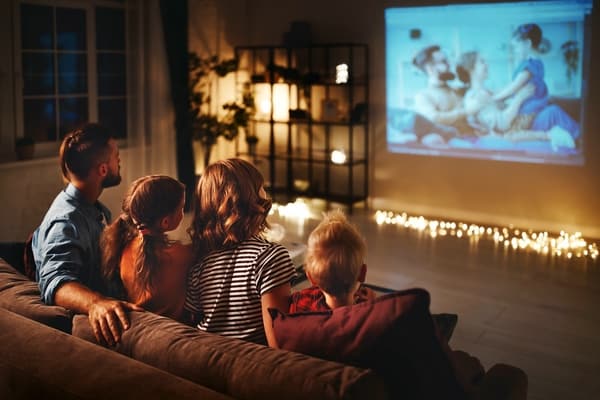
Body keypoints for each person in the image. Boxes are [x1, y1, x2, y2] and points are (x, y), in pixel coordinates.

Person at [289, 210, 489, 397]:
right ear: (363, 273)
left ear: (311, 278)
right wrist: (374, 306)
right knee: (469, 362)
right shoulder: (377, 322)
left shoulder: (298, 312)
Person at [32, 123, 143, 346]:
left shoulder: (94, 209)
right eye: (116, 156)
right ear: (103, 170)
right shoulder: (66, 220)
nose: (119, 161)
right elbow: (56, 282)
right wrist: (96, 303)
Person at [185, 158, 296, 347]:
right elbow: (279, 343)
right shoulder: (271, 257)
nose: (265, 191)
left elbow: (192, 321)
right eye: (261, 186)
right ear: (250, 196)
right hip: (252, 364)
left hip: (208, 358)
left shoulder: (199, 263)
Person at [100, 175, 192, 323]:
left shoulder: (124, 248)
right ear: (166, 222)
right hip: (172, 329)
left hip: (139, 324)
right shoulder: (183, 255)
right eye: (181, 208)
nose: (182, 211)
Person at [456, 51, 575, 150]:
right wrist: (520, 98)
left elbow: (506, 92)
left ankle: (581, 139)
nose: (487, 64)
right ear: (470, 68)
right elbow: (502, 124)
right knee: (553, 112)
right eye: (482, 61)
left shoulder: (486, 92)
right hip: (513, 132)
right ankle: (583, 142)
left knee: (552, 108)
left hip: (519, 125)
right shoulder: (476, 97)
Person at [493, 23, 579, 139]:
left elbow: (513, 87)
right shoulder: (529, 64)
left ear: (528, 44)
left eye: (516, 47)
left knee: (554, 111)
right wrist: (496, 93)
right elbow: (510, 87)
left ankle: (583, 136)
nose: (515, 51)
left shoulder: (530, 66)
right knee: (554, 111)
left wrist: (494, 98)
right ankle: (581, 135)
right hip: (530, 113)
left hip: (529, 115)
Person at [412, 45, 471, 133]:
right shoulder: (423, 96)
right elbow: (434, 118)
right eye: (444, 62)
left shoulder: (457, 90)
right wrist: (467, 112)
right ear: (430, 69)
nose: (449, 65)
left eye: (447, 61)